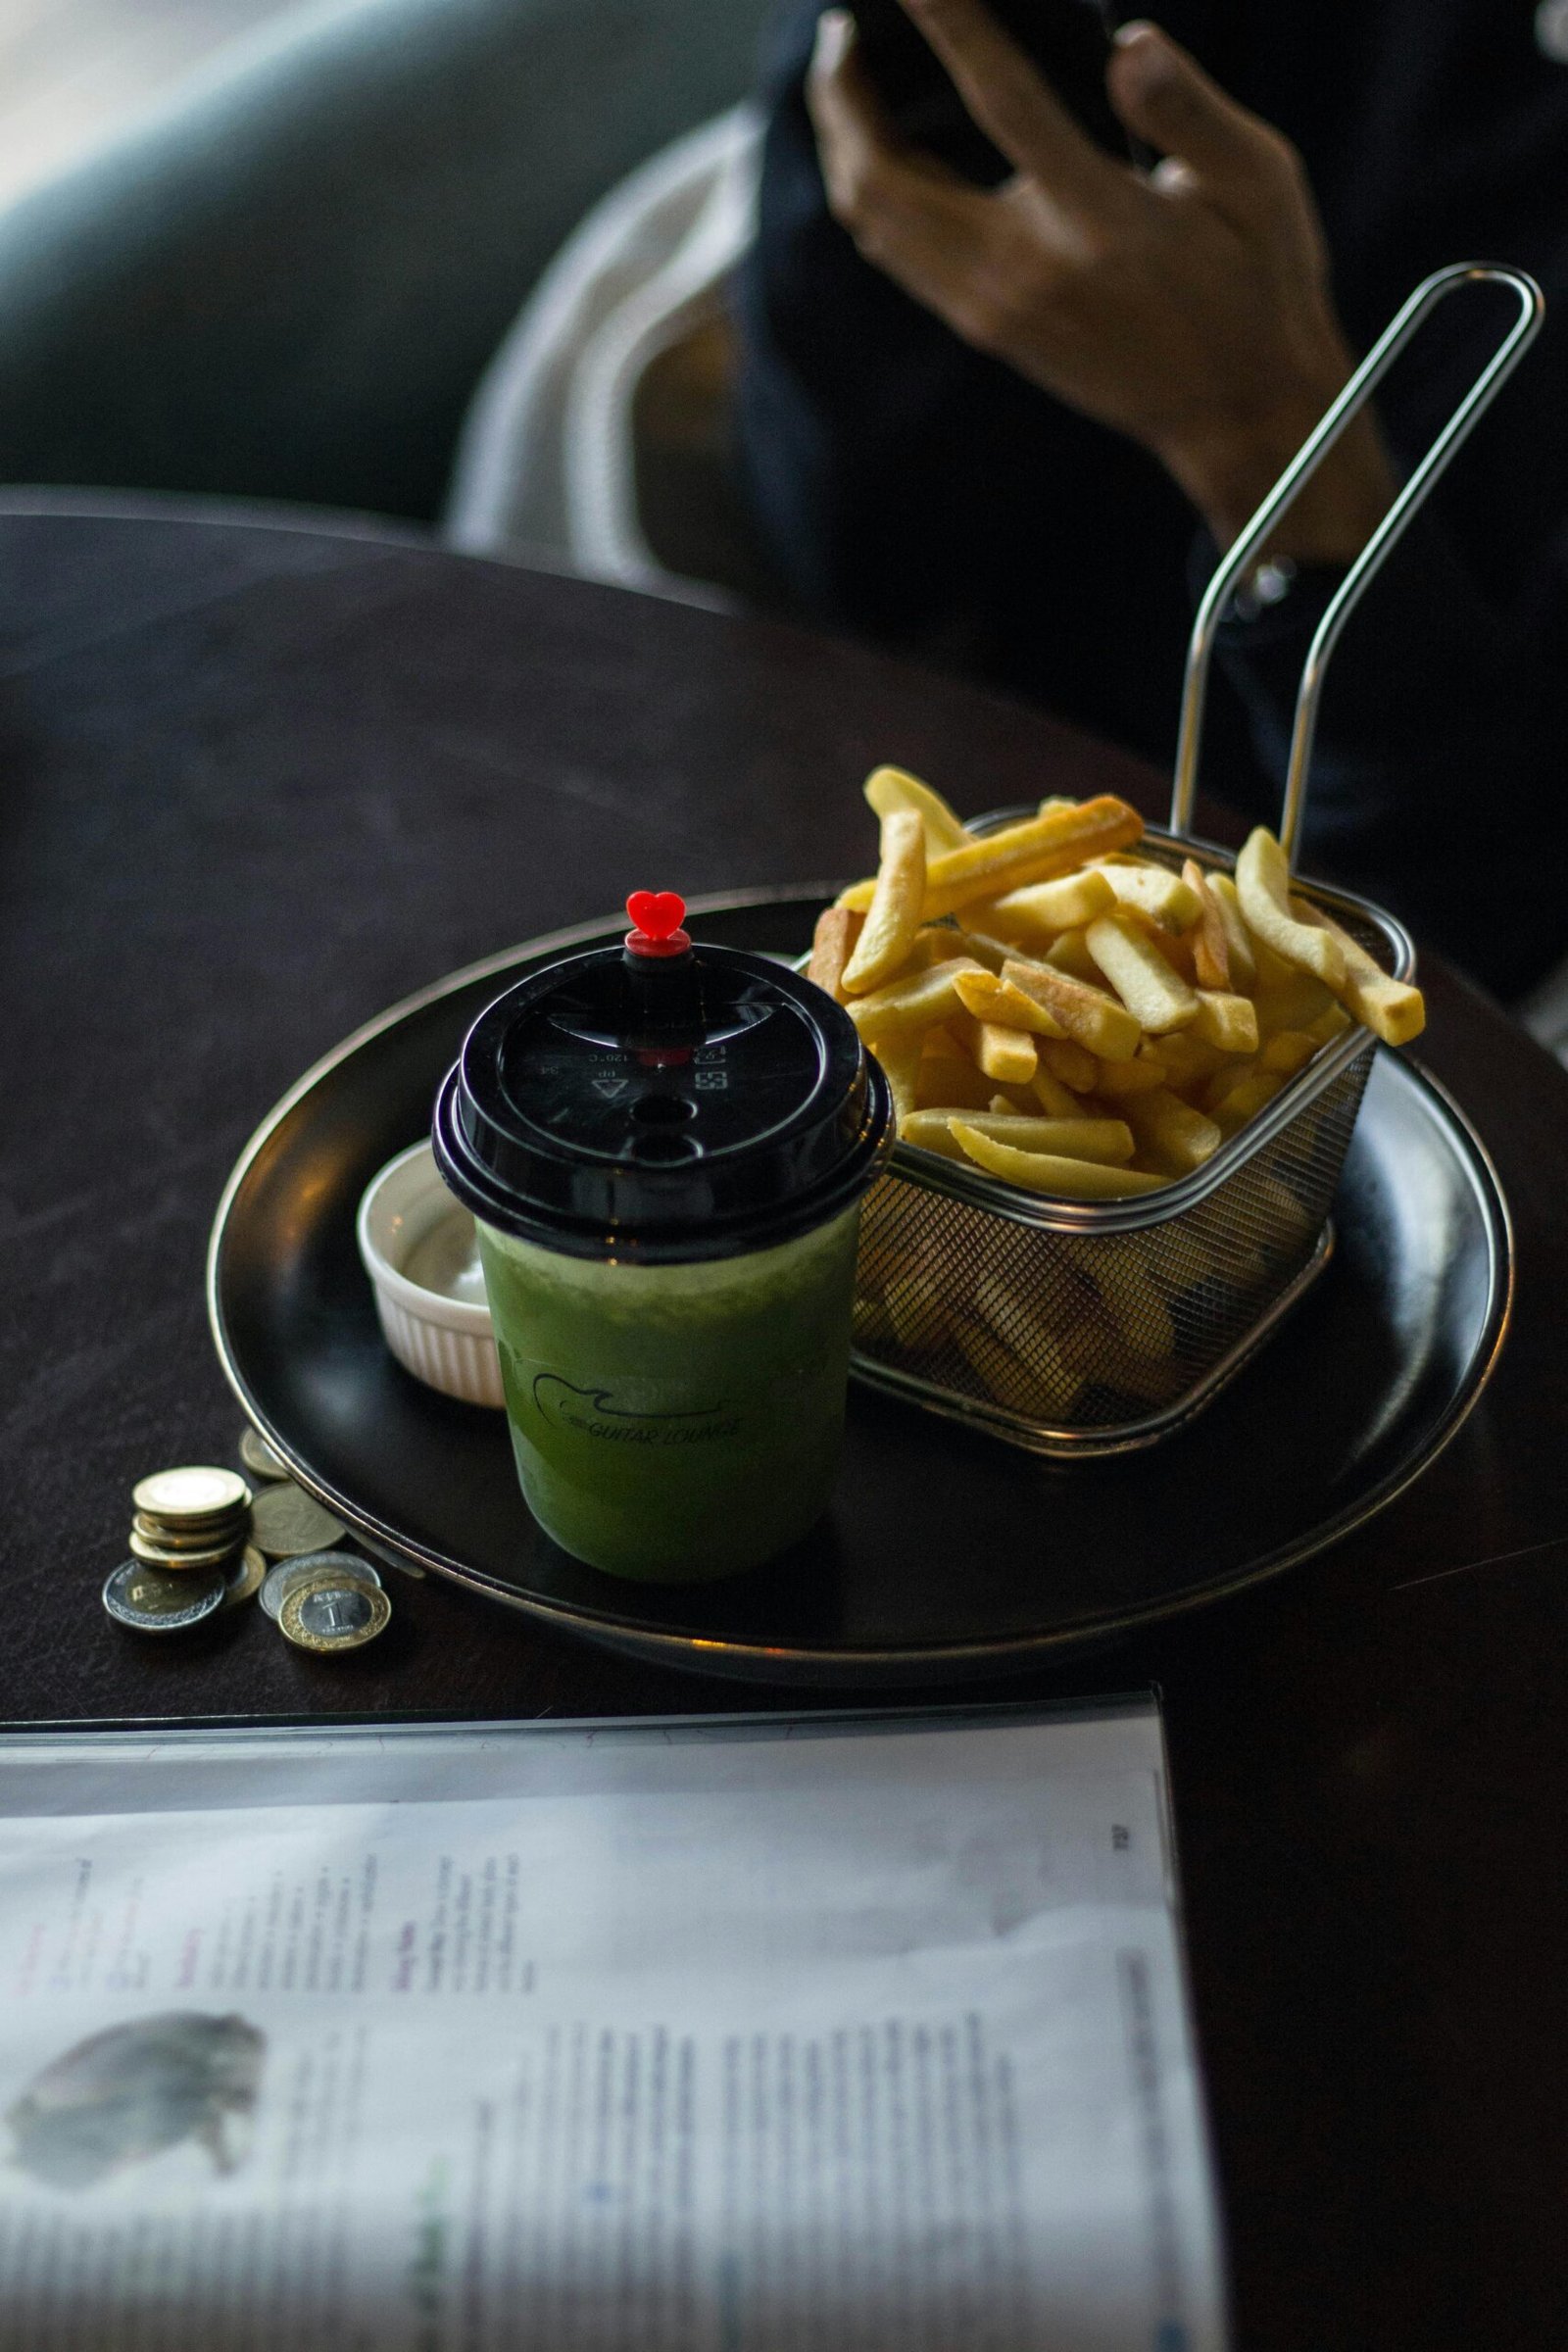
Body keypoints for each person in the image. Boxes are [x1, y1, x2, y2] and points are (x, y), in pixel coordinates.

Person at [732, 0, 1568, 1004]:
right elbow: (860, 562)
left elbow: (1462, 933)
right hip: (982, 774)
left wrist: (1261, 438)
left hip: (1318, 897)